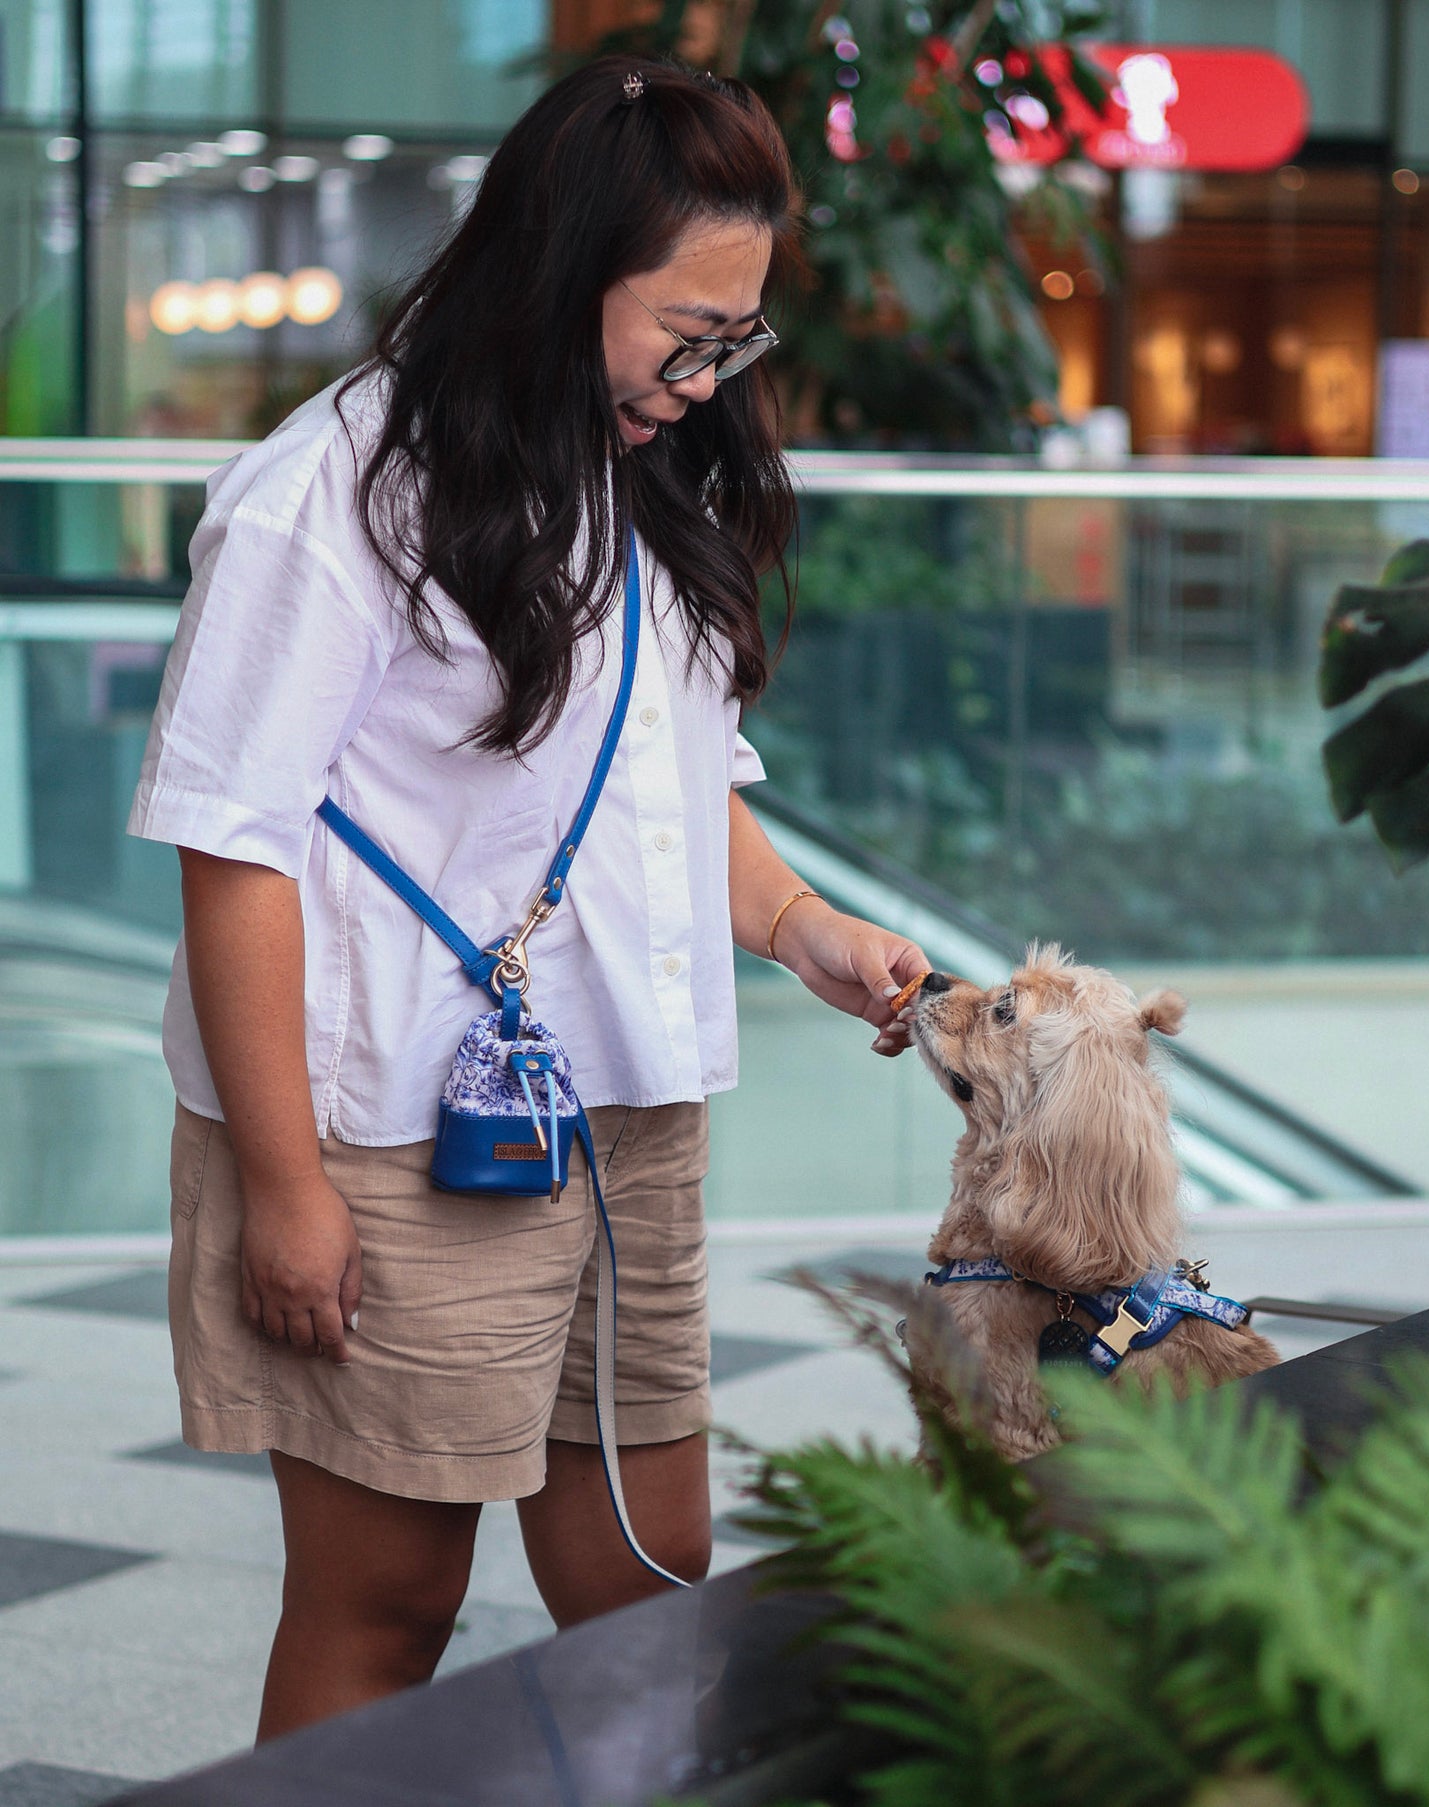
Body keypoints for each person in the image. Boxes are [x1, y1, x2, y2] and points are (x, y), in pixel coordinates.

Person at [129, 55, 927, 1741]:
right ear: (560, 281)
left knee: (653, 1569)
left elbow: (667, 789)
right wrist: (283, 1188)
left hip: (621, 1113)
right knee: (388, 1599)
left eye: (739, 336)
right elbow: (234, 847)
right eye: (682, 332)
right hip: (388, 1127)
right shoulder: (327, 497)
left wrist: (802, 931)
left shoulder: (646, 479)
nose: (711, 378)